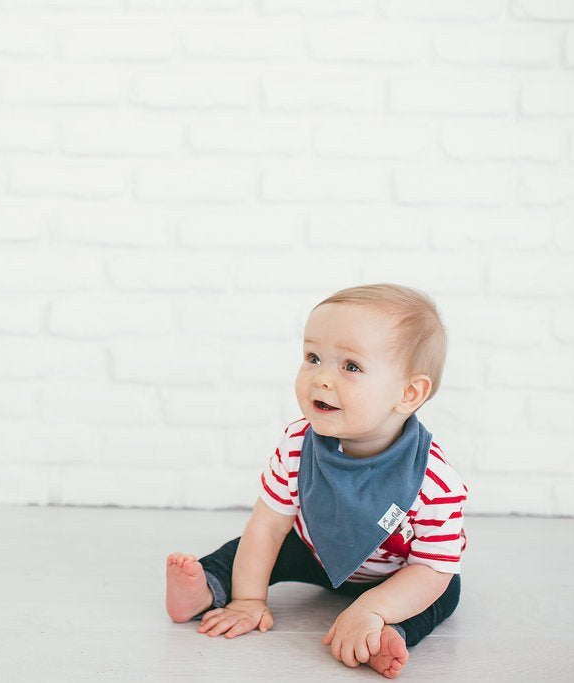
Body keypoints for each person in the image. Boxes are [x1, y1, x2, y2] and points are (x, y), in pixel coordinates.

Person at [165, 283, 467, 680]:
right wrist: (248, 599)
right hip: (315, 551)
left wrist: (372, 606)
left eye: (351, 366)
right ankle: (207, 588)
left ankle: (383, 632)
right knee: (246, 548)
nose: (321, 379)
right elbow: (266, 527)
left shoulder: (434, 481)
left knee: (443, 592)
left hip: (397, 574)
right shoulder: (298, 443)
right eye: (313, 357)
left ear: (409, 393)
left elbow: (431, 568)